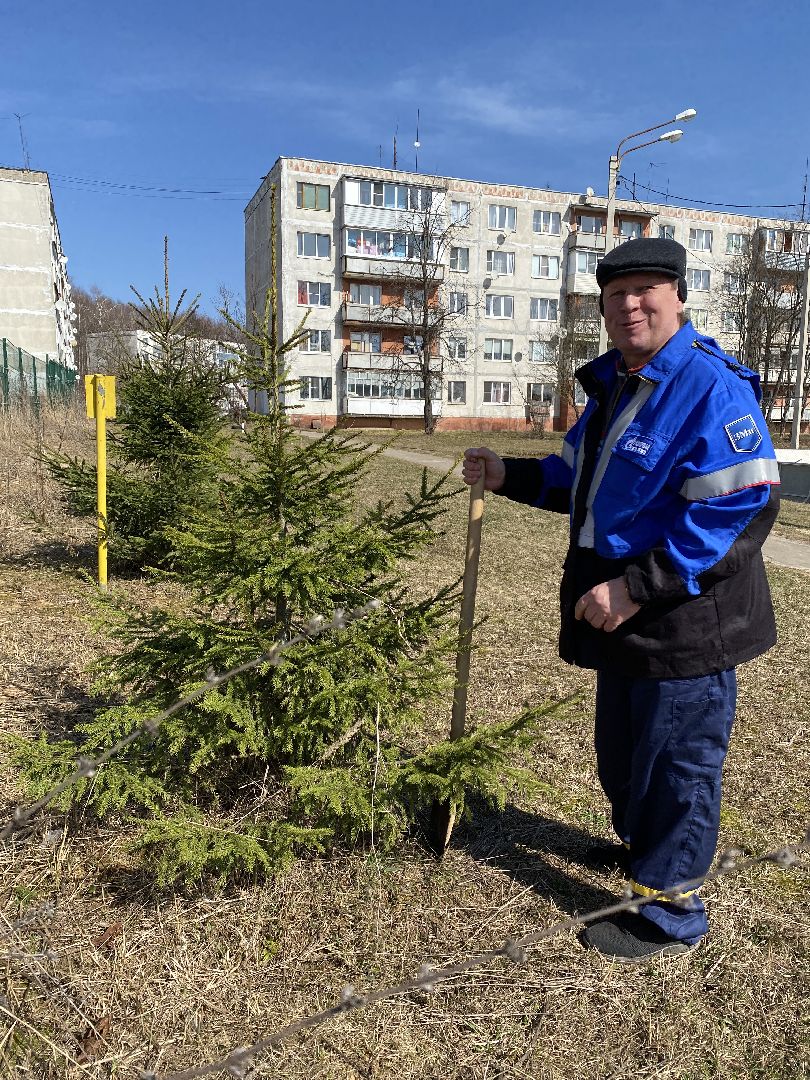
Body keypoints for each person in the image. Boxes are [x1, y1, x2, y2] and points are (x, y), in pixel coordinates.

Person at [463, 237, 780, 962]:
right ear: (602, 308)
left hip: (686, 620)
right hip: (625, 623)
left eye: (646, 291)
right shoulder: (615, 386)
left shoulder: (709, 386)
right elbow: (575, 478)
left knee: (678, 768)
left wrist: (637, 587)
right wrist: (505, 473)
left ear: (678, 299)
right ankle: (645, 855)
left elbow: (740, 508)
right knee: (625, 758)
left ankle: (670, 913)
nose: (630, 305)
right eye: (616, 295)